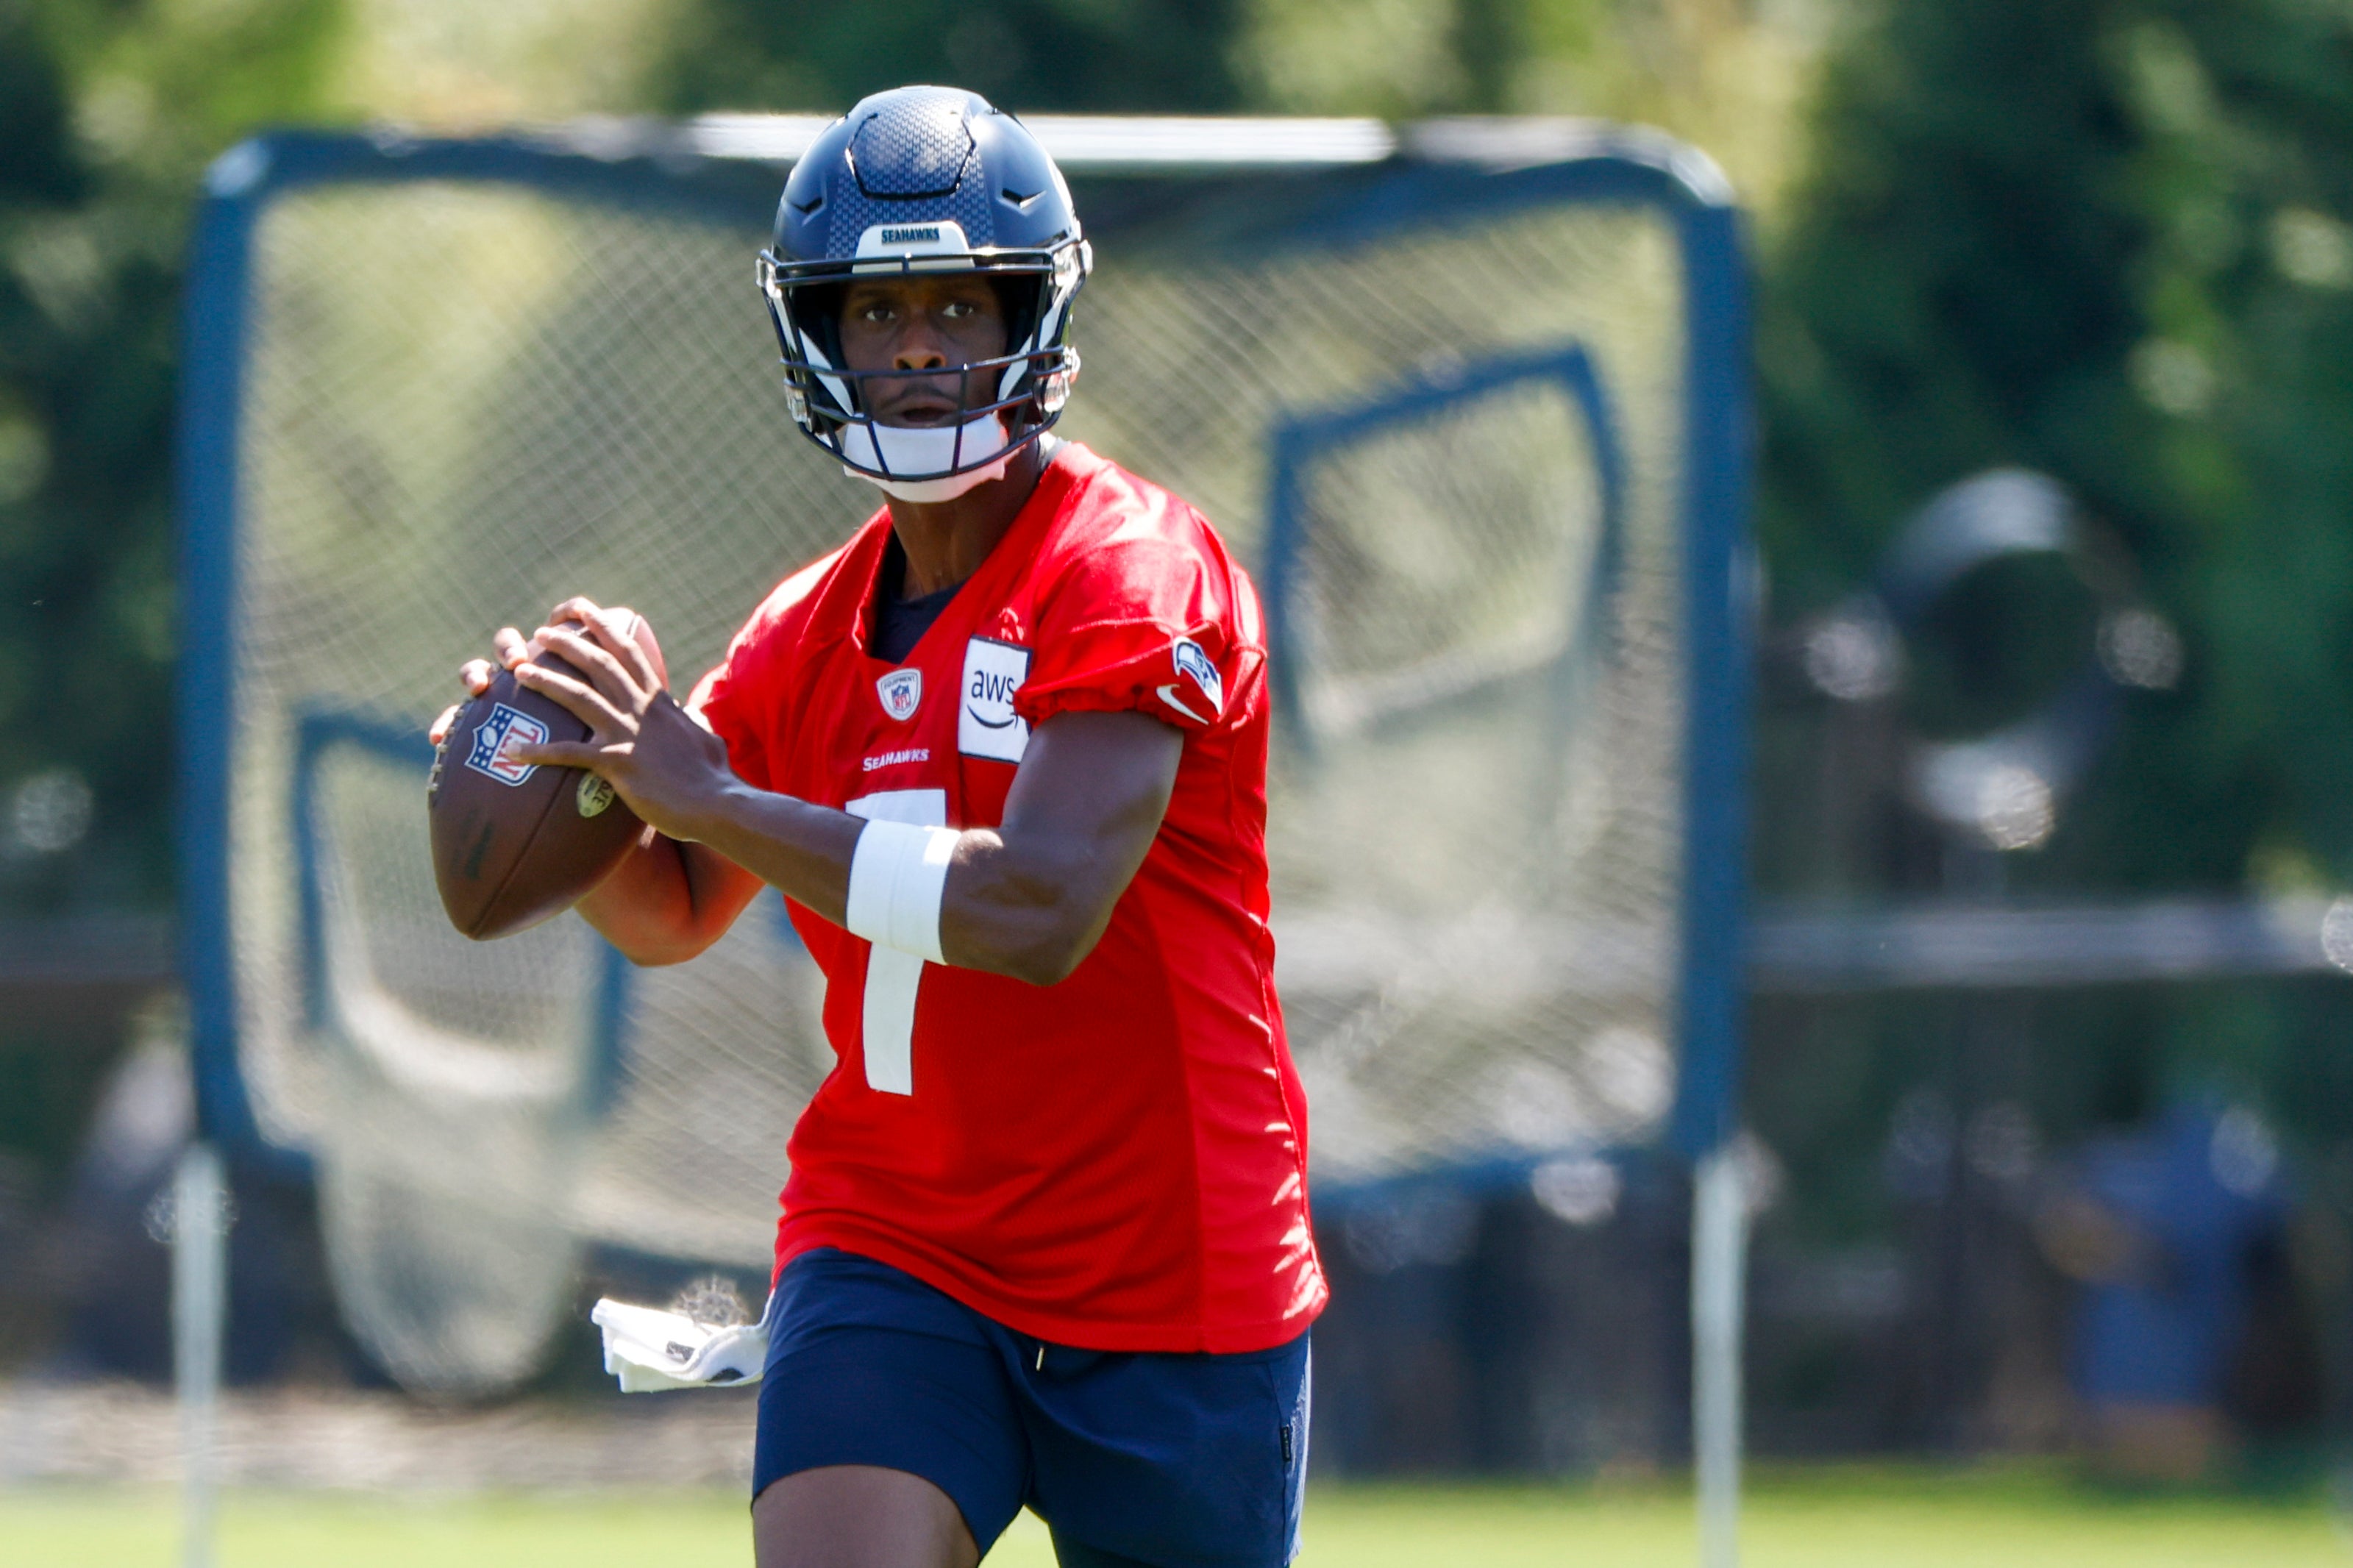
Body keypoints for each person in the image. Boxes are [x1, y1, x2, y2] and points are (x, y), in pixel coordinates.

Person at [433, 86, 1325, 1568]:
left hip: (1170, 1271)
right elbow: (670, 905)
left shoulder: (1130, 569)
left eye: (959, 303)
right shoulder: (804, 631)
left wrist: (706, 793)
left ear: (1032, 314)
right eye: (876, 306)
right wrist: (562, 797)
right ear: (815, 334)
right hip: (898, 1240)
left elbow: (1037, 913)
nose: (916, 345)